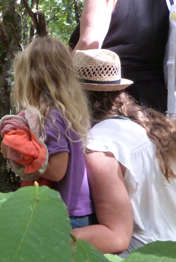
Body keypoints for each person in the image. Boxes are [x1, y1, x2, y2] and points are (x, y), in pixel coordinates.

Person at [71, 49, 176, 256]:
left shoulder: (99, 147)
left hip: (148, 253)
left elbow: (116, 237)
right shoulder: (152, 128)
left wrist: (44, 236)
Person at [11, 37, 94, 229]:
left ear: (31, 76)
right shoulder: (70, 111)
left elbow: (57, 171)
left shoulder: (52, 116)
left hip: (63, 214)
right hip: (76, 210)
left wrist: (18, 152)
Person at [68, 0, 170, 113]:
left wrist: (62, 85)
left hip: (111, 100)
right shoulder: (169, 4)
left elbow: (89, 44)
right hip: (155, 102)